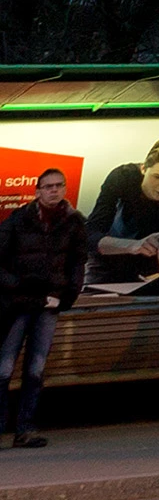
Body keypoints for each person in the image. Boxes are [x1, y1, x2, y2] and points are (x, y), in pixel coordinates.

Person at [1, 166, 96, 448]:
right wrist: (17, 285)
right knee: (3, 368)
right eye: (48, 186)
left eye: (59, 185)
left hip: (49, 306)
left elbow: (78, 262)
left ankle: (26, 429)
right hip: (16, 305)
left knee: (36, 369)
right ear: (37, 191)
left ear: (64, 189)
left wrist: (68, 296)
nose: (54, 190)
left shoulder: (74, 222)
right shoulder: (18, 220)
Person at [83, 136, 159, 284]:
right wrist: (134, 245)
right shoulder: (123, 177)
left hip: (152, 271)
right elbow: (90, 236)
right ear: (143, 168)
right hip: (105, 264)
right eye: (158, 176)